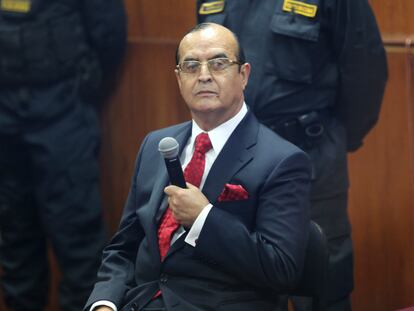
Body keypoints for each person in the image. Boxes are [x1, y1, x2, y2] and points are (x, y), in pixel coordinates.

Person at [84, 22, 311, 311]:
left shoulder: (282, 161)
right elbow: (124, 246)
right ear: (179, 79)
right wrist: (105, 302)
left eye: (218, 64)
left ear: (243, 75)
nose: (203, 76)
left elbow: (281, 269)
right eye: (191, 66)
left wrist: (204, 219)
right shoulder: (156, 145)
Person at [196, 1, 388, 310]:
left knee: (323, 287)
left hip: (310, 155)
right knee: (241, 287)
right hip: (235, 160)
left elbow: (366, 71)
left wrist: (335, 139)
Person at [0, 1, 127, 311]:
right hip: (4, 113)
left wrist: (86, 83)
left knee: (79, 242)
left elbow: (109, 29)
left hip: (62, 108)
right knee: (15, 240)